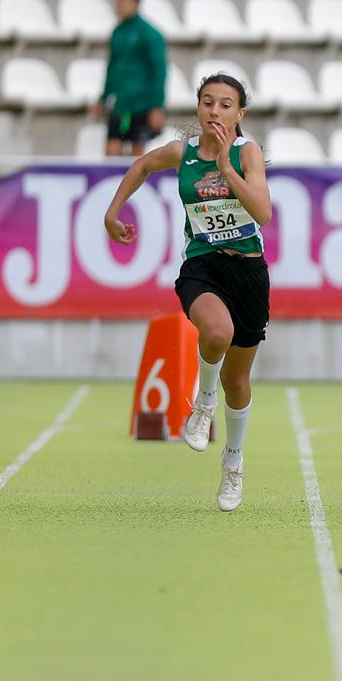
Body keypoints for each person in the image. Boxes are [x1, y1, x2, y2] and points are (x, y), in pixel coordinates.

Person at [104, 73, 271, 511]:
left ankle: (233, 461)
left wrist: (227, 170)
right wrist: (112, 213)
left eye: (225, 104)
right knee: (216, 331)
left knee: (238, 380)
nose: (215, 111)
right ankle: (203, 402)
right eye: (207, 102)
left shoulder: (247, 153)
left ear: (240, 113)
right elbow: (141, 166)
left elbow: (263, 212)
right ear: (198, 107)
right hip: (203, 266)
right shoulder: (183, 153)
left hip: (248, 272)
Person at [96, 0, 168, 157]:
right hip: (120, 105)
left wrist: (157, 105)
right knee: (111, 152)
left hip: (141, 105)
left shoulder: (150, 34)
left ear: (136, 1)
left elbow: (159, 71)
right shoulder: (117, 32)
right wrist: (103, 98)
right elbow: (112, 68)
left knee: (137, 156)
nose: (118, 4)